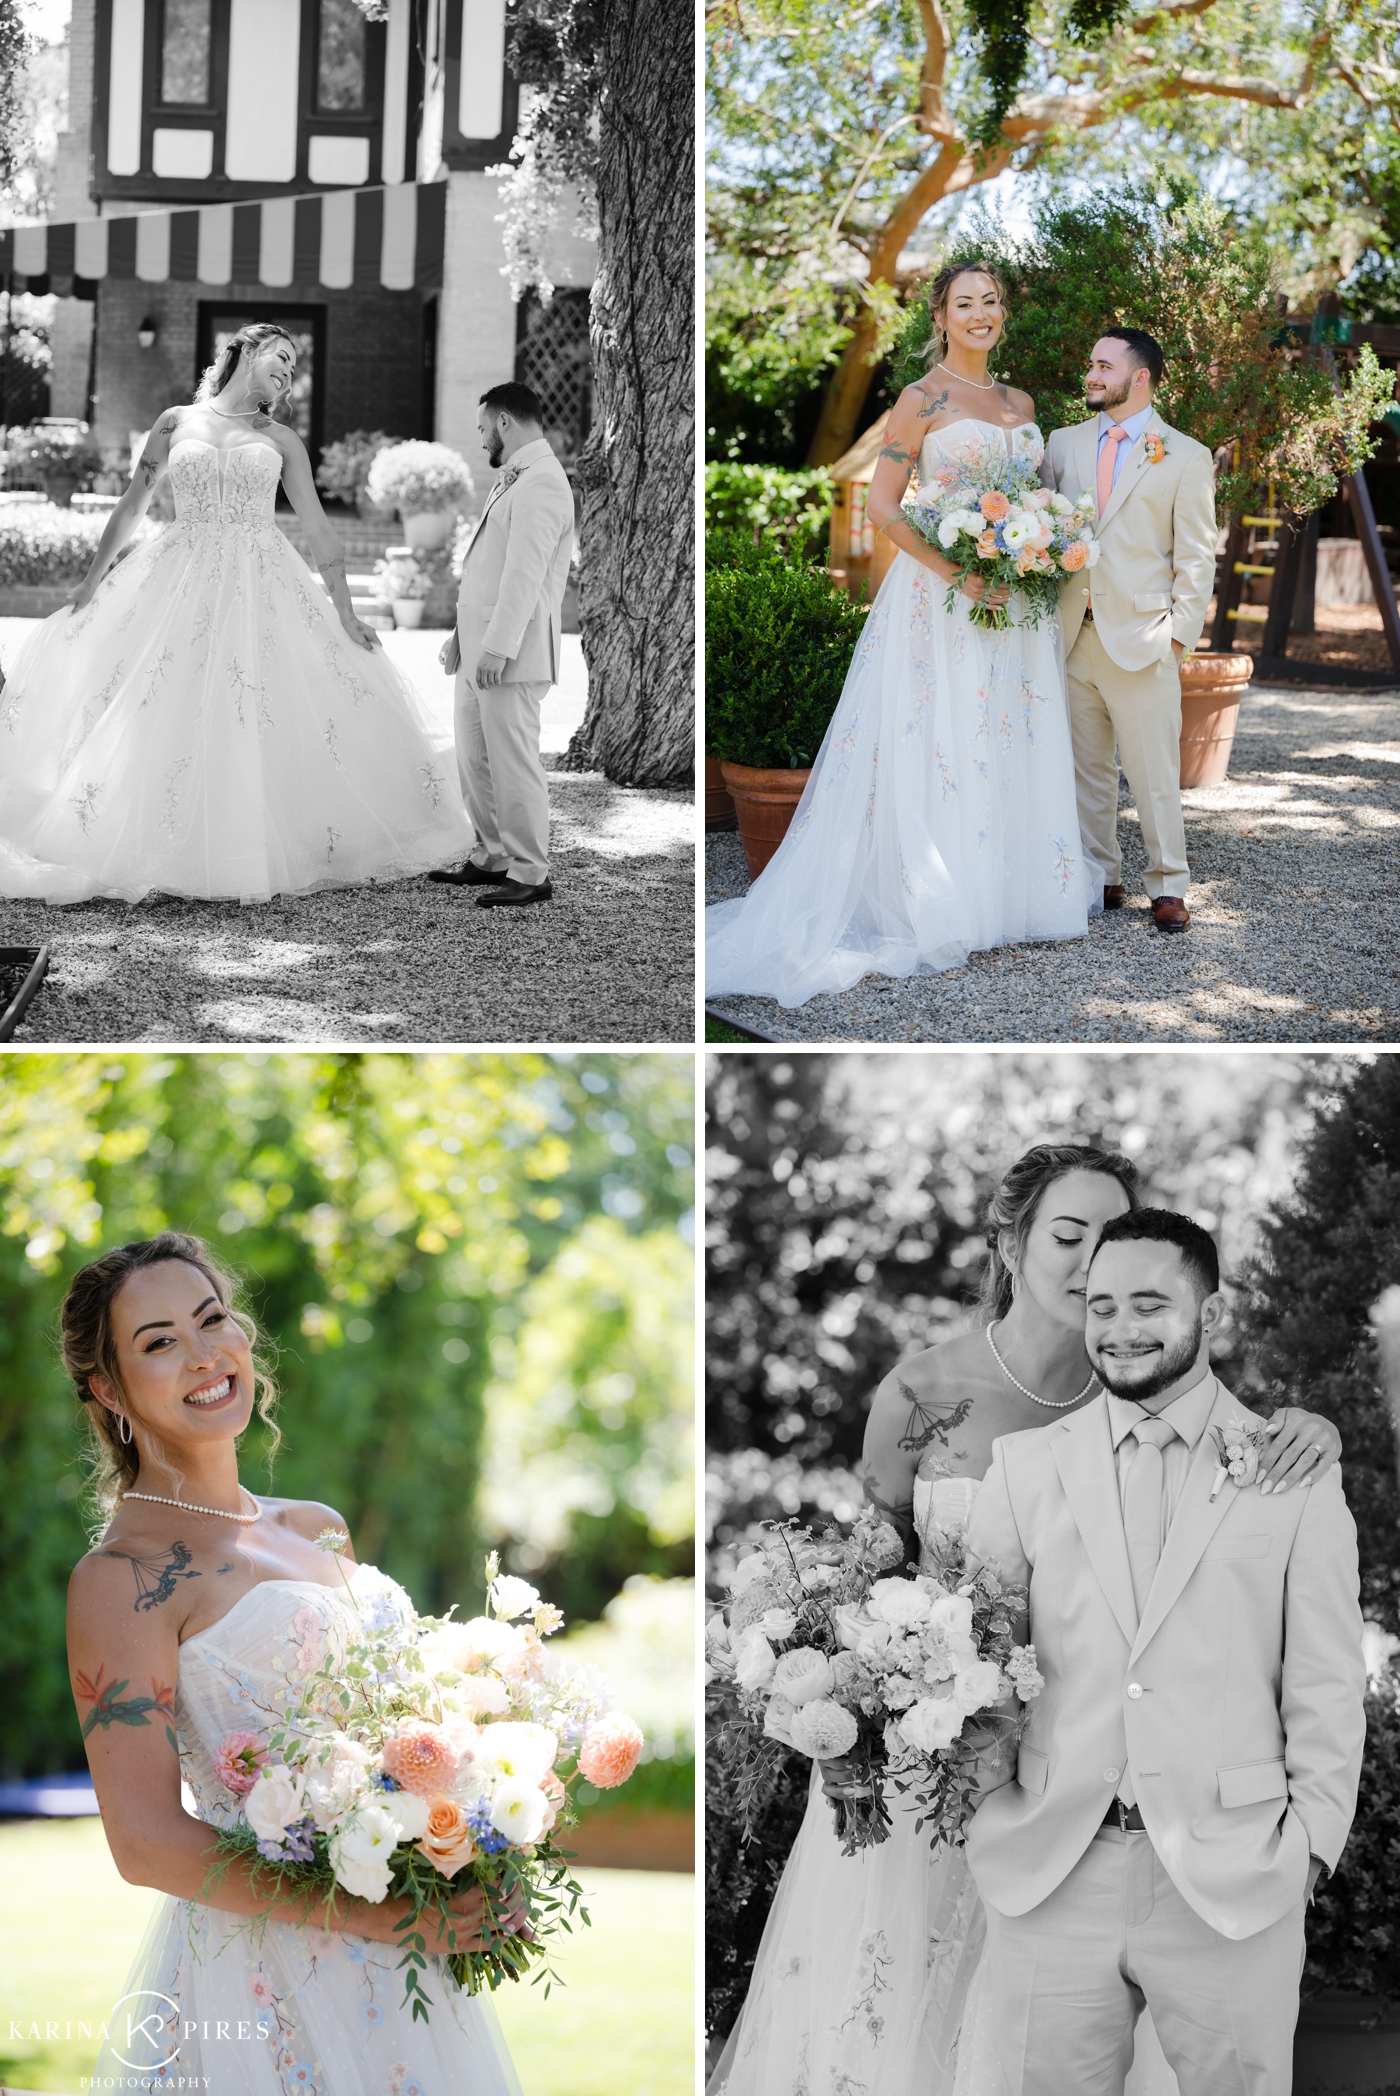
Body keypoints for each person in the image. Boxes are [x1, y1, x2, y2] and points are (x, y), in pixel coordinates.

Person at [708, 1146, 1344, 2096]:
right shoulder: (925, 1394)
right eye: (1069, 1235)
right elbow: (863, 1581)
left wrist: (1310, 1853)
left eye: (1113, 1239)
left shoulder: (1154, 1379)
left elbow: (1305, 1650)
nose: (1096, 1268)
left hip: (1175, 1840)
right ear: (1010, 1243)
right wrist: (844, 1708)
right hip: (963, 1789)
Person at [64, 1232, 523, 2092]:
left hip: (412, 1961)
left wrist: (482, 1854)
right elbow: (145, 1844)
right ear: (106, 1388)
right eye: (159, 1342)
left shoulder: (316, 1525)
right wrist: (378, 1917)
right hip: (266, 1980)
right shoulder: (121, 1579)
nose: (204, 1355)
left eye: (213, 1320)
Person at [964, 1205, 1366, 2094]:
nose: (1120, 1329)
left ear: (1210, 1316)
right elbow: (980, 1666)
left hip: (1234, 1878)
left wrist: (1306, 1850)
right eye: (1101, 1306)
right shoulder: (1025, 1468)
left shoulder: (1289, 1468)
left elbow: (1329, 1682)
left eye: (1149, 1305)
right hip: (1052, 1871)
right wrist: (985, 1813)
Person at [706, 263, 1099, 1010]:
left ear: (1001, 314)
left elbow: (1035, 499)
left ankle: (1009, 897)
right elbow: (886, 506)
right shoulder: (920, 400)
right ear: (941, 318)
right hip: (943, 596)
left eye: (991, 302)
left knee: (1009, 734)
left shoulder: (1022, 401)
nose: (980, 314)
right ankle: (943, 899)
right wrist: (954, 569)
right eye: (965, 304)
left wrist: (1034, 546)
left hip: (1016, 599)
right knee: (945, 737)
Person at [0, 323, 469, 905]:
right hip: (180, 574)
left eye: (294, 367)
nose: (288, 370)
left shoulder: (281, 440)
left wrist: (346, 613)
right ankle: (155, 840)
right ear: (246, 350)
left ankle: (244, 844)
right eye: (282, 356)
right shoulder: (175, 423)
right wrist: (92, 581)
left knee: (250, 705)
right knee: (164, 699)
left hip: (260, 579)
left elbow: (320, 530)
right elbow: (132, 504)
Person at [1040, 330, 1217, 934]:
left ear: (1139, 377)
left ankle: (1168, 885)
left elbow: (1197, 558)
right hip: (1070, 635)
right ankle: (1101, 877)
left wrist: (1178, 638)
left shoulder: (1186, 456)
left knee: (1152, 774)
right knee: (1085, 770)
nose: (1090, 374)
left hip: (1144, 638)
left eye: (1102, 365)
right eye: (1089, 362)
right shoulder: (1061, 445)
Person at [431, 382, 575, 911]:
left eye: (482, 428)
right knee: (474, 759)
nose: (481, 439)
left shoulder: (544, 482)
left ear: (505, 422)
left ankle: (531, 870)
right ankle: (492, 855)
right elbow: (486, 573)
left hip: (510, 654)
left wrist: (496, 648)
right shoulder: (513, 478)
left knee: (513, 763)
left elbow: (523, 577)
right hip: (480, 646)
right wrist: (460, 637)